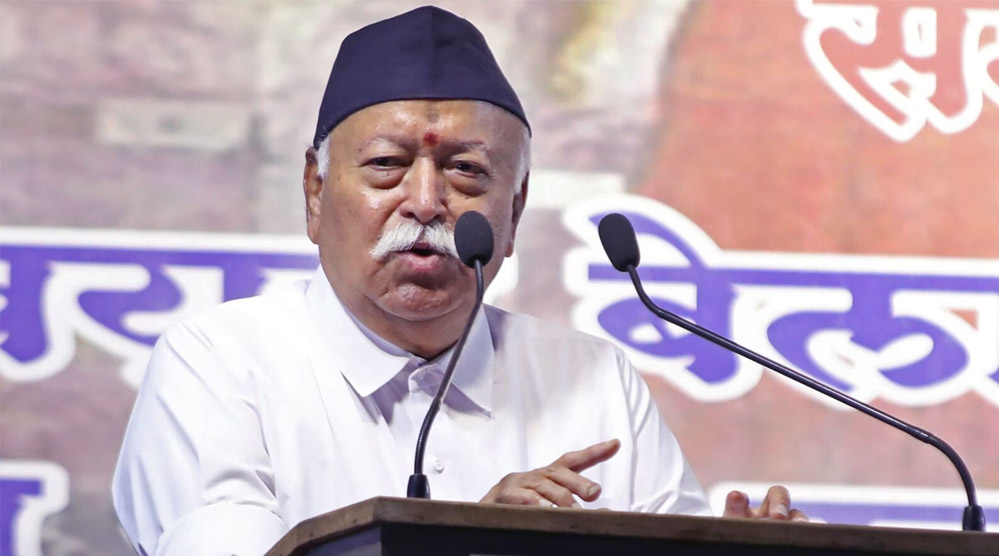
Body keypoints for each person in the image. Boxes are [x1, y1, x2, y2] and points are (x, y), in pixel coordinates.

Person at [112, 6, 806, 555]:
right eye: (386, 165)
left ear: (515, 211)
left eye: (467, 171)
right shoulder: (221, 362)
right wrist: (464, 542)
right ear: (315, 193)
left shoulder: (591, 377)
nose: (424, 201)